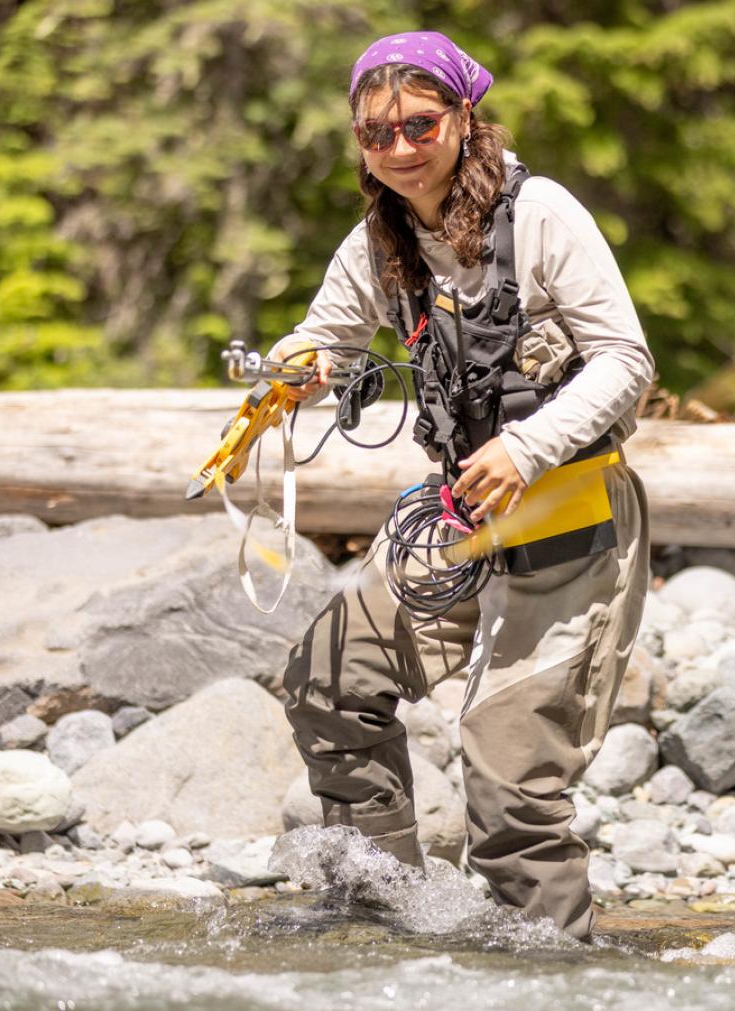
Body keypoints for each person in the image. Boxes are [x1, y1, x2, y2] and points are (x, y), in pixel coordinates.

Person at [271, 31, 652, 941]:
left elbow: (626, 362)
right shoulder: (380, 238)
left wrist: (526, 448)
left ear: (463, 116)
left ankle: (553, 972)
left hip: (573, 516)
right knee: (326, 681)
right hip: (457, 520)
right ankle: (383, 916)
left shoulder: (546, 213)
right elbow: (329, 334)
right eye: (376, 133)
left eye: (419, 123)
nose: (399, 147)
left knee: (509, 785)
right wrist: (297, 365)